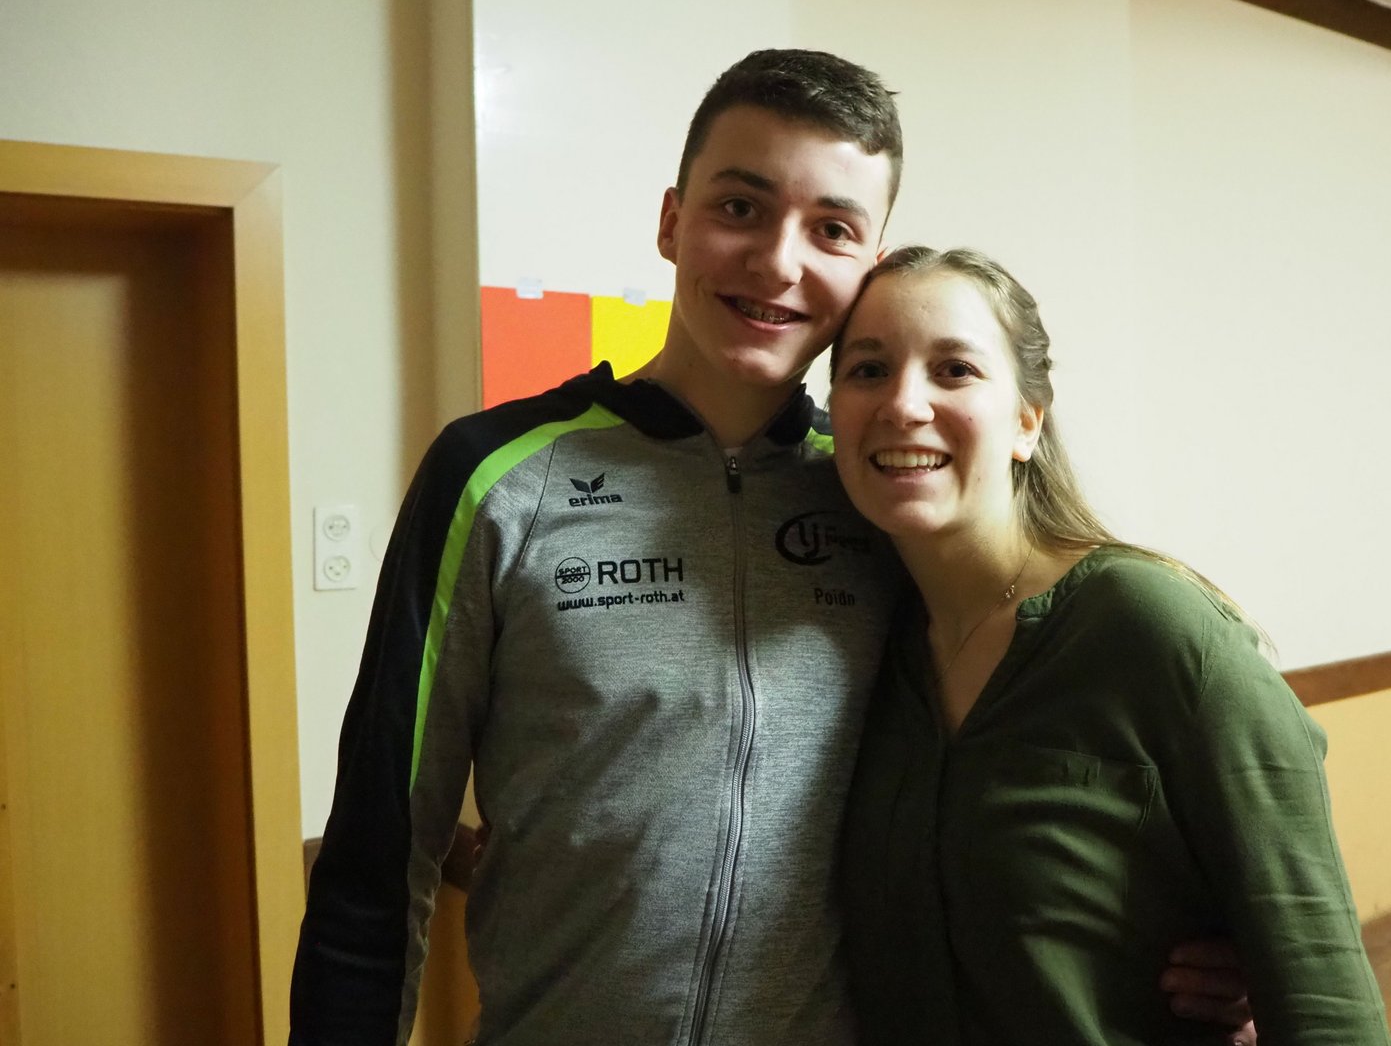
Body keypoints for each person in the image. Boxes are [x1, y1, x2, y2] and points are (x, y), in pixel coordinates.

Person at [290, 51, 1256, 1046]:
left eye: (831, 228)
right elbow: (378, 856)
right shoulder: (496, 476)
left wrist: (1193, 934)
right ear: (673, 221)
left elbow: (1025, 765)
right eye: (740, 208)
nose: (780, 262)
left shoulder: (886, 495)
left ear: (870, 262)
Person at [830, 246, 1391, 1044]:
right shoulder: (861, 642)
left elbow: (1325, 1001)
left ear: (1026, 420)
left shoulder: (1153, 629)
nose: (903, 404)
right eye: (867, 370)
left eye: (955, 370)